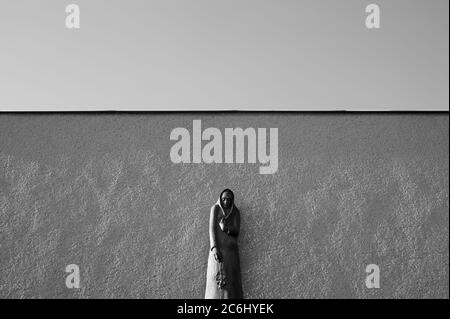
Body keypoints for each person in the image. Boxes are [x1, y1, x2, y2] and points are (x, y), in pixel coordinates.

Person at [204, 189, 243, 299]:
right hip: (217, 251)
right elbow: (211, 229)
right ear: (220, 199)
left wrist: (225, 228)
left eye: (228, 200)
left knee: (231, 279)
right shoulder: (215, 209)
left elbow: (236, 231)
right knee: (216, 278)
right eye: (224, 199)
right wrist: (214, 247)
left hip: (231, 252)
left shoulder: (236, 212)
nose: (226, 202)